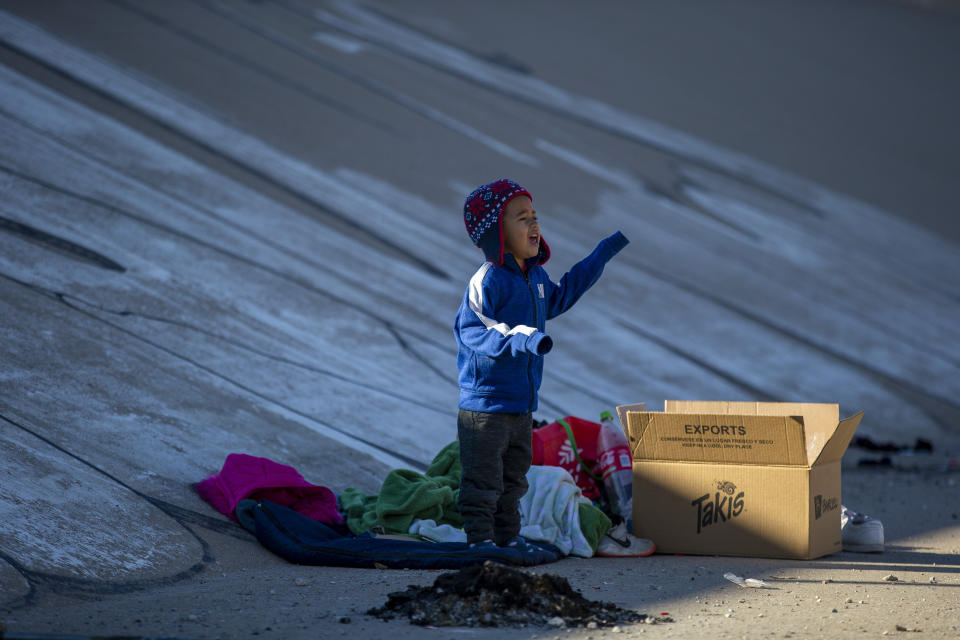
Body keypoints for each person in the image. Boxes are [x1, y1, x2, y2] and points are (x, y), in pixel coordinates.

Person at [454, 178, 630, 548]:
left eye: (534, 216)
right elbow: (473, 329)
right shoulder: (487, 280)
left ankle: (507, 541)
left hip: (521, 406)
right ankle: (478, 543)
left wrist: (602, 253)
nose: (534, 225)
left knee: (515, 481)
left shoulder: (534, 277)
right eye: (521, 218)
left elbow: (560, 296)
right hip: (485, 407)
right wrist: (524, 337)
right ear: (496, 233)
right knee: (483, 481)